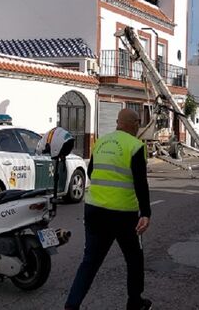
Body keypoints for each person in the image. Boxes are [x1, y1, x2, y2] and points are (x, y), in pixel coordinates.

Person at [65, 109, 153, 310]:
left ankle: (71, 305)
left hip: (94, 211)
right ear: (134, 124)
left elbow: (91, 172)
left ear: (117, 123)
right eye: (138, 123)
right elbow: (141, 183)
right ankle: (135, 302)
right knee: (134, 259)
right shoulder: (135, 146)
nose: (139, 126)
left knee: (90, 262)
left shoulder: (101, 142)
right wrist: (146, 213)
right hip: (124, 216)